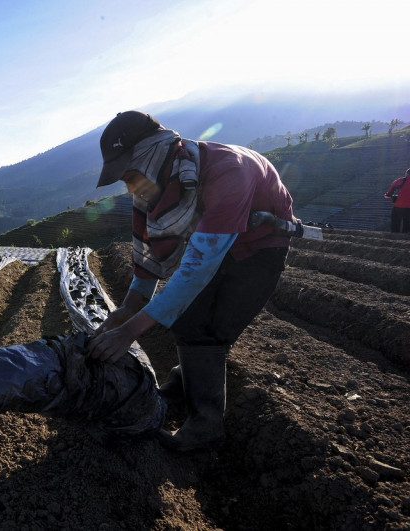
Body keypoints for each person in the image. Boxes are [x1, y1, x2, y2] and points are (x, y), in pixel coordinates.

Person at [88, 111, 294, 452]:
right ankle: (184, 388)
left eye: (129, 174)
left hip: (260, 246)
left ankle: (206, 424)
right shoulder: (153, 189)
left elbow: (195, 271)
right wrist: (124, 311)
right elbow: (146, 261)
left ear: (151, 154)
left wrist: (128, 332)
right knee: (189, 321)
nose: (128, 186)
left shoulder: (228, 173)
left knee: (213, 329)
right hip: (218, 238)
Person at [384, 168, 410, 233]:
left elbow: (389, 194)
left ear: (406, 174)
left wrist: (388, 196)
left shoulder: (399, 181)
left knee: (395, 228)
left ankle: (394, 241)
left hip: (398, 207)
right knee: (407, 229)